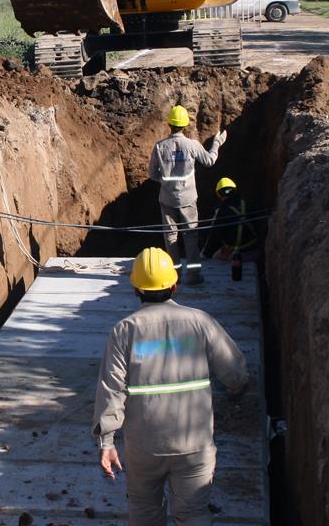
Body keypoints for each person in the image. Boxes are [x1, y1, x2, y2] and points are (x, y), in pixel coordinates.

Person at [94, 247, 248, 526]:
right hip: (194, 445)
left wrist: (106, 442)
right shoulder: (200, 322)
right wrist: (237, 386)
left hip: (143, 446)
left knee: (144, 511)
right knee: (193, 516)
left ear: (136, 289)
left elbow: (111, 390)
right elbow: (236, 373)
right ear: (175, 285)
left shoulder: (124, 331)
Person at [148, 105, 226, 284]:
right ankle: (194, 276)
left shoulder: (160, 147)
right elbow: (210, 161)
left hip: (167, 200)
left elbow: (152, 174)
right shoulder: (192, 145)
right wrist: (217, 143)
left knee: (170, 237)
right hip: (188, 199)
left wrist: (167, 181)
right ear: (185, 125)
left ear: (169, 124)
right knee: (190, 236)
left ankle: (174, 277)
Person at [202, 178, 266, 279]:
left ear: (219, 195)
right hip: (255, 251)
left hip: (235, 255)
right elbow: (262, 226)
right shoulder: (249, 204)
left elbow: (214, 236)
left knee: (214, 259)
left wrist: (205, 254)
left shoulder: (222, 212)